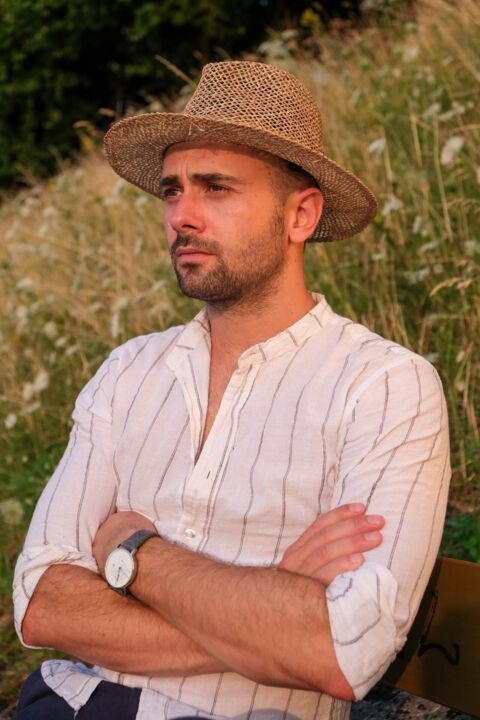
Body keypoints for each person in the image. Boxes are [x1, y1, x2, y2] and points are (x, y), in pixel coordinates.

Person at [12, 61, 450, 720]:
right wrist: (269, 611)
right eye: (172, 190)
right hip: (72, 704)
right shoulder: (128, 370)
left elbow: (344, 649)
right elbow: (41, 601)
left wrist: (132, 553)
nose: (182, 216)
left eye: (216, 188)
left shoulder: (382, 385)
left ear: (300, 214)